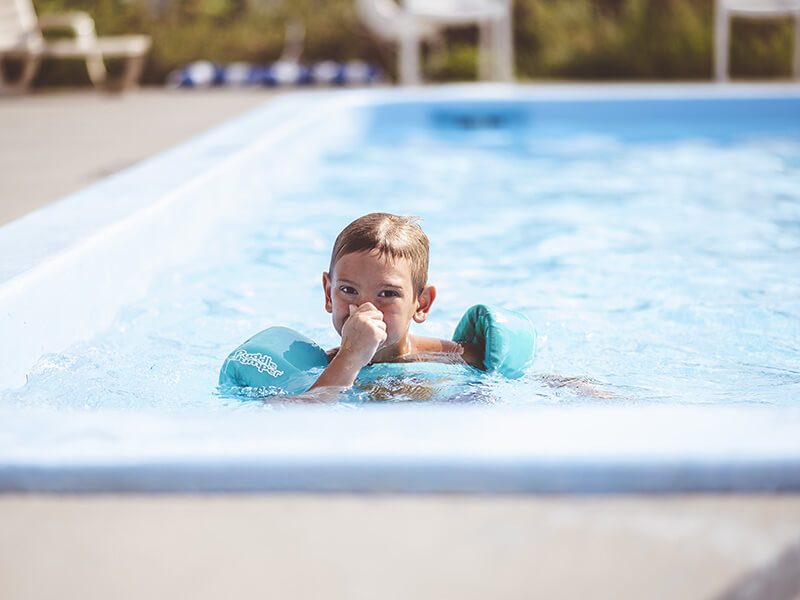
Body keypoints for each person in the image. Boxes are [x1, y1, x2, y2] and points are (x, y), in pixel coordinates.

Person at [309, 212, 484, 390]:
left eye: (387, 293)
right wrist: (350, 357)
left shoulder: (460, 359)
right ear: (329, 294)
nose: (365, 309)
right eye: (348, 290)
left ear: (422, 304)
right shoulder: (316, 369)